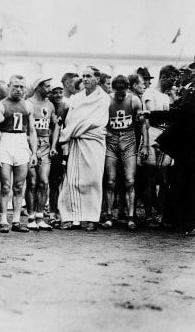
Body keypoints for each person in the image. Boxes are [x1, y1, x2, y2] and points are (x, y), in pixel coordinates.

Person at [58, 66, 111, 231]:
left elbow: (95, 122)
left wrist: (71, 131)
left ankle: (92, 218)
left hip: (94, 141)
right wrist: (72, 130)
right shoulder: (76, 98)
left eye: (89, 76)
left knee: (94, 179)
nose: (85, 79)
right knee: (73, 180)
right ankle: (72, 218)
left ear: (98, 79)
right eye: (84, 76)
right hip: (76, 142)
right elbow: (71, 120)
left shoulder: (104, 98)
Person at [0, 75, 37, 233]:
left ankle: (16, 220)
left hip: (21, 144)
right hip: (5, 143)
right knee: (6, 185)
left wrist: (33, 153)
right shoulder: (0, 106)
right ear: (9, 86)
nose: (19, 90)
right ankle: (3, 220)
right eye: (15, 86)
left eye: (22, 87)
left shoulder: (28, 105)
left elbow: (32, 131)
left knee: (19, 185)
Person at [145, 75, 195, 235]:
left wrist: (154, 115)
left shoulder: (191, 91)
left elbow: (182, 111)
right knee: (182, 180)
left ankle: (190, 223)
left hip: (191, 144)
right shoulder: (190, 89)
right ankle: (181, 220)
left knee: (191, 183)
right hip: (186, 145)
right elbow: (180, 109)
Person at [102, 75, 147, 230]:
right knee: (110, 181)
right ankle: (108, 216)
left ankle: (130, 216)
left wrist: (145, 145)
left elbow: (143, 125)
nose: (120, 96)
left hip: (129, 141)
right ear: (113, 89)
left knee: (130, 181)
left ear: (128, 88)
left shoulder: (134, 100)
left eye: (123, 92)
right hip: (111, 141)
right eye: (117, 92)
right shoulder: (107, 100)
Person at [138, 65, 179, 227]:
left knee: (163, 180)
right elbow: (149, 119)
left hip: (165, 138)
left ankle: (160, 214)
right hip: (152, 136)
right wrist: (146, 145)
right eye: (171, 79)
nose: (173, 83)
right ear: (163, 77)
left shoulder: (166, 96)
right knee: (149, 178)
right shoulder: (150, 93)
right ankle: (148, 215)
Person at [25, 77, 60, 230]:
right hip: (29, 144)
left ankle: (40, 216)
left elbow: (55, 126)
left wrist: (53, 146)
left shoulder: (49, 104)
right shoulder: (28, 103)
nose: (50, 89)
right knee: (31, 182)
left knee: (44, 181)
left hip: (45, 145)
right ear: (38, 87)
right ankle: (31, 217)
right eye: (47, 86)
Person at [47, 82, 69, 225]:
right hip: (46, 147)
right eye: (55, 92)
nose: (58, 95)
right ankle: (51, 211)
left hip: (62, 148)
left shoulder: (66, 107)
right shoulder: (47, 106)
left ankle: (61, 211)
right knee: (50, 182)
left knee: (61, 180)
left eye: (60, 92)